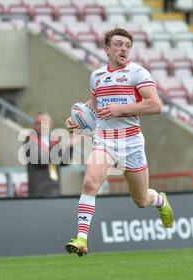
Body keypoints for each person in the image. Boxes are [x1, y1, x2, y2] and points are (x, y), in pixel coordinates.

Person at [64, 28, 174, 257]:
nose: (123, 48)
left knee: (142, 200)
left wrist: (119, 109)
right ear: (107, 49)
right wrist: (78, 119)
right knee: (90, 183)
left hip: (132, 143)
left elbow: (155, 105)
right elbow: (95, 103)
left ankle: (160, 201)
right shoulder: (96, 76)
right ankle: (82, 239)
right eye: (118, 44)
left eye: (127, 45)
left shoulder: (138, 73)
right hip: (104, 141)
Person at [25, 112, 71, 197]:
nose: (42, 125)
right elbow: (40, 161)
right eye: (39, 123)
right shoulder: (30, 140)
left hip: (54, 188)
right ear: (34, 125)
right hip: (38, 189)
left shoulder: (54, 140)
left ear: (50, 125)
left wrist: (69, 147)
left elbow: (64, 163)